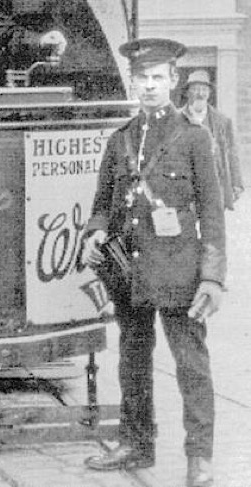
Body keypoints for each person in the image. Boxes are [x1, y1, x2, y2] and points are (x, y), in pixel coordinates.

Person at [81, 38, 226, 487]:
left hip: (181, 272)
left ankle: (199, 458)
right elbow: (102, 203)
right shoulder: (121, 138)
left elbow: (212, 216)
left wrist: (213, 279)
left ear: (173, 81)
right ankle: (136, 444)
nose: (148, 86)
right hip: (131, 271)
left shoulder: (195, 138)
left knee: (191, 366)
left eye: (157, 78)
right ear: (133, 81)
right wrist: (95, 231)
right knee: (133, 360)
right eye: (141, 78)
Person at [181, 69, 244, 209]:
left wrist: (236, 183)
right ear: (187, 93)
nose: (200, 94)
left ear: (209, 93)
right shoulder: (175, 119)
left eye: (204, 89)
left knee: (213, 227)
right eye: (195, 89)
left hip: (215, 184)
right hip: (185, 185)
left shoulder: (222, 121)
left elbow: (232, 152)